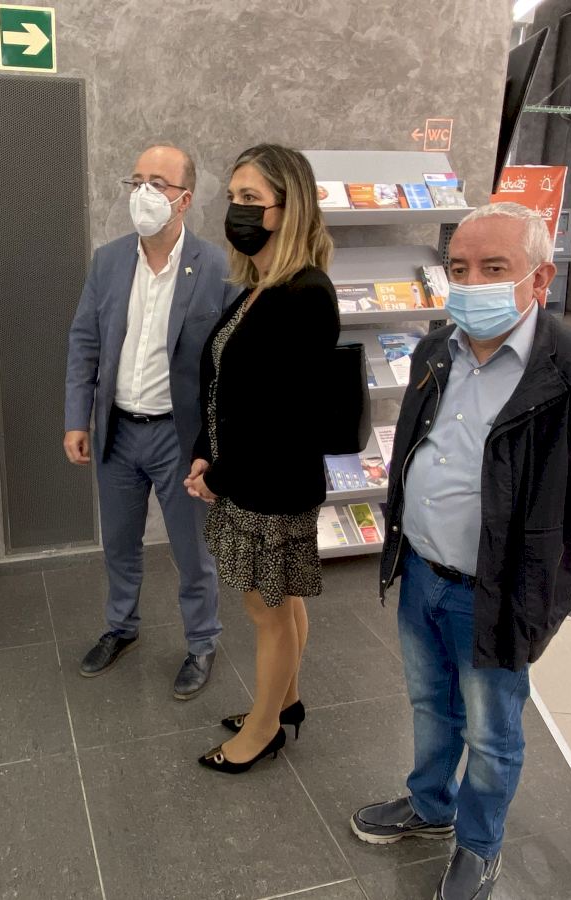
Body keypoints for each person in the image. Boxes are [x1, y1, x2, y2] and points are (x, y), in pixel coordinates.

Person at [350, 202, 571, 899]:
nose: (471, 283)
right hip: (422, 572)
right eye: (459, 269)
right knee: (430, 704)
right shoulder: (436, 350)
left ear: (540, 277)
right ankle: (430, 805)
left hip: (498, 593)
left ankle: (479, 845)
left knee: (491, 731)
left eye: (494, 268)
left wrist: (548, 556)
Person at [64, 144, 240, 698]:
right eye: (136, 181)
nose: (143, 193)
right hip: (117, 431)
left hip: (178, 438)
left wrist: (216, 447)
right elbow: (85, 341)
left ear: (184, 200)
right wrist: (77, 418)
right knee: (119, 543)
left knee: (192, 552)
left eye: (157, 183)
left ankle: (202, 641)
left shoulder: (217, 267)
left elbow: (230, 362)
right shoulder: (109, 260)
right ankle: (121, 627)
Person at [187, 144, 339, 774]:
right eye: (233, 197)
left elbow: (285, 414)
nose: (237, 210)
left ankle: (263, 727)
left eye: (251, 198)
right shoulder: (259, 286)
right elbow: (228, 387)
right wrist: (205, 454)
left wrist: (221, 474)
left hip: (270, 482)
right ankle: (288, 700)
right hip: (245, 474)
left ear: (288, 206)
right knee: (283, 598)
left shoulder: (306, 293)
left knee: (265, 608)